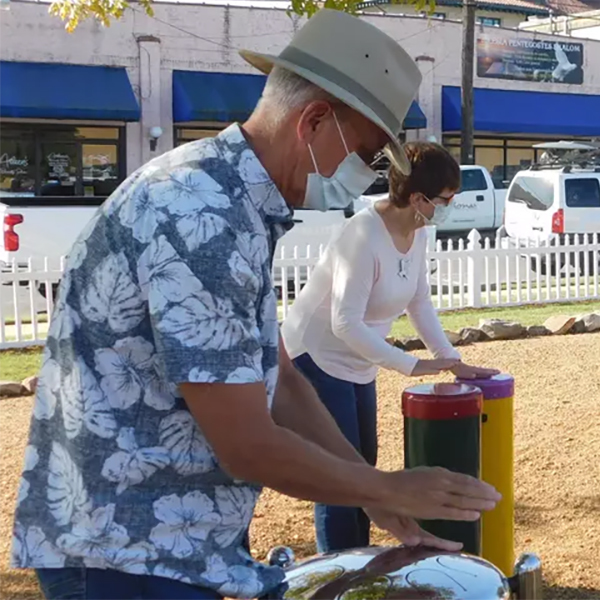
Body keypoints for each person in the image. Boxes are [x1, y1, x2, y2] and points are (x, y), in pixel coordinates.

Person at [11, 11, 500, 600]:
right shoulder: (203, 217)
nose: (368, 178)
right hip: (125, 548)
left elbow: (282, 377)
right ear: (315, 120)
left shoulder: (228, 199)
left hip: (169, 541)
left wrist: (371, 489)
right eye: (370, 156)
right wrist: (392, 488)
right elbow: (247, 443)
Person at [281, 142, 500, 554]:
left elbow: (419, 301)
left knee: (366, 466)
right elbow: (344, 322)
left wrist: (450, 361)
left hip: (360, 359)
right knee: (341, 476)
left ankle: (358, 563)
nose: (449, 206)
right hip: (316, 357)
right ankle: (339, 571)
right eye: (445, 199)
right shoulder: (362, 235)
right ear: (418, 199)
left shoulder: (417, 232)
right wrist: (410, 365)